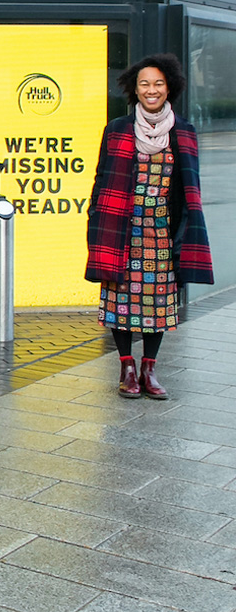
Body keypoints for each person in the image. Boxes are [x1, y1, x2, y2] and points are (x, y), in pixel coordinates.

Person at [86, 53, 213, 399]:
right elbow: (102, 179)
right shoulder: (117, 129)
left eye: (158, 83)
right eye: (144, 83)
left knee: (159, 304)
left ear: (169, 86)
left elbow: (190, 188)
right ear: (134, 89)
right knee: (120, 300)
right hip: (121, 228)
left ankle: (149, 369)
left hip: (162, 232)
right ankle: (127, 367)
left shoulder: (183, 130)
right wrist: (97, 217)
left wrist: (186, 232)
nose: (151, 89)